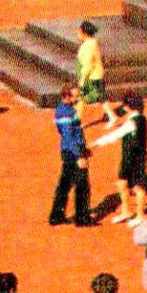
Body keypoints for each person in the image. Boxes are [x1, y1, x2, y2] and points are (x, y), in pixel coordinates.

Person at [92, 93, 147, 226]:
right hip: (128, 157)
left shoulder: (133, 122)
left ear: (129, 106)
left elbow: (115, 135)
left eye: (125, 105)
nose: (123, 108)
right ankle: (126, 211)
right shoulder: (139, 119)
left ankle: (140, 215)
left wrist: (96, 144)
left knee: (138, 187)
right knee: (122, 183)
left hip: (136, 159)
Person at [49, 86, 92, 227]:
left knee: (65, 184)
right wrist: (79, 155)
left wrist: (84, 149)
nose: (77, 98)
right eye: (75, 96)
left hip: (69, 151)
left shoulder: (64, 110)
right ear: (67, 97)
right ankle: (82, 218)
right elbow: (68, 136)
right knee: (82, 184)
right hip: (73, 152)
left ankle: (56, 215)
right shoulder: (66, 113)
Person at [76, 21, 114, 127]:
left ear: (84, 33)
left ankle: (77, 122)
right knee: (100, 97)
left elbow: (88, 64)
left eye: (79, 32)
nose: (77, 34)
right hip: (96, 74)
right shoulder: (91, 43)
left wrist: (83, 78)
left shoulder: (89, 45)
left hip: (92, 76)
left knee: (83, 98)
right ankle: (112, 116)